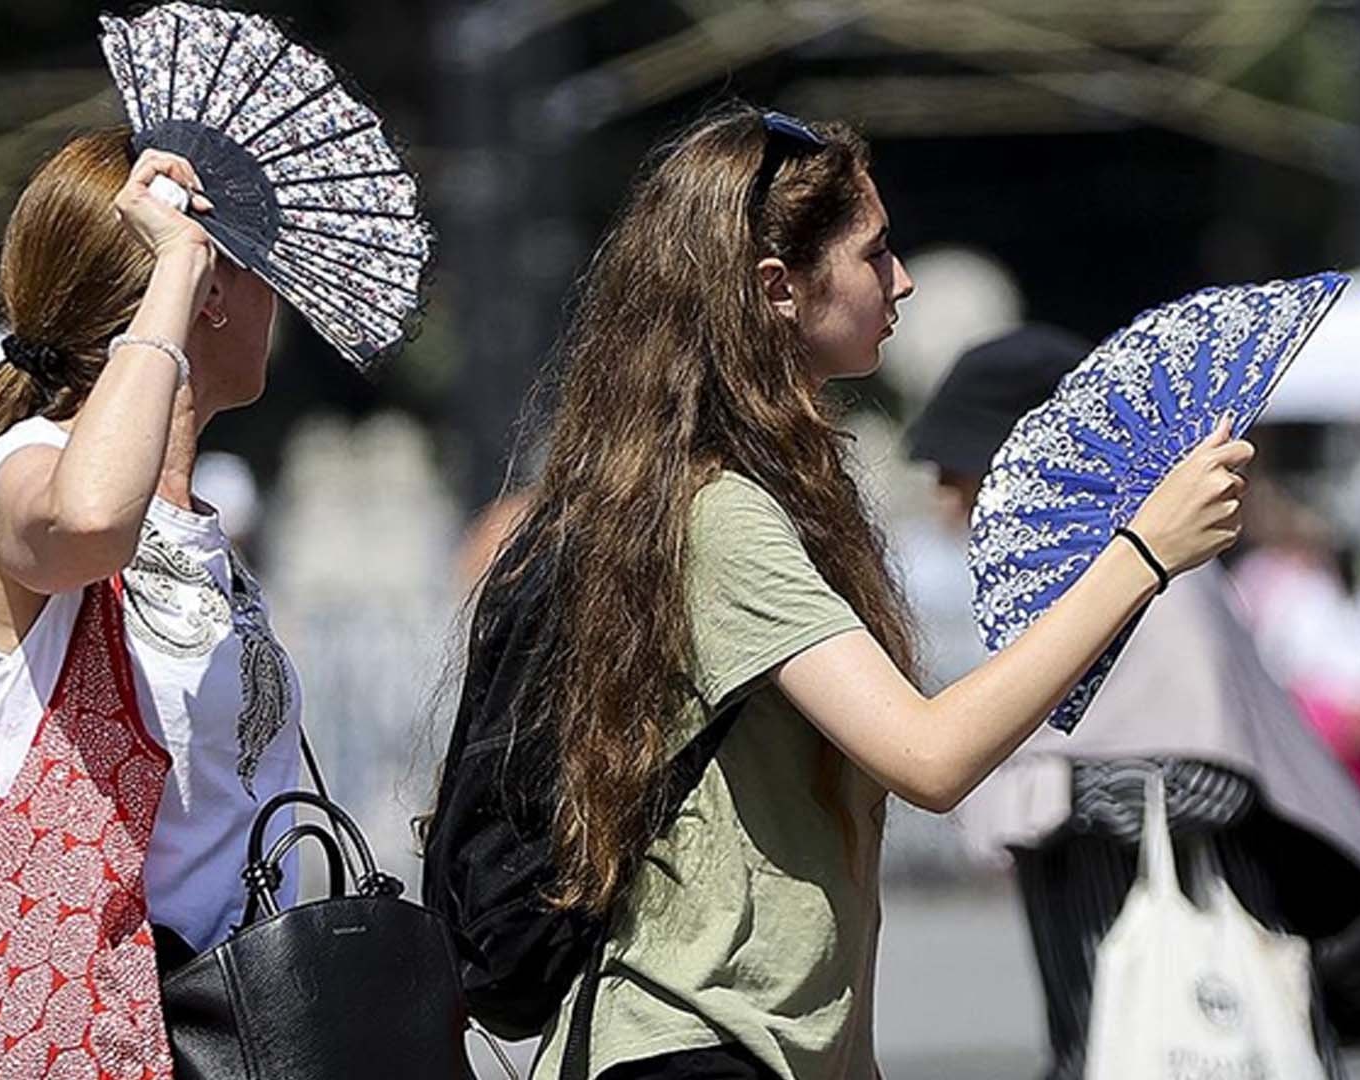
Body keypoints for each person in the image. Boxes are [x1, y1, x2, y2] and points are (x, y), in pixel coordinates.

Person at [464, 105, 1255, 1080]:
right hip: (691, 1048)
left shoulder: (752, 498)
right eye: (875, 254)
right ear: (779, 290)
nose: (904, 278)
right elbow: (929, 756)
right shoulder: (720, 516)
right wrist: (1143, 553)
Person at [0, 130, 302, 1077]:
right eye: (258, 267)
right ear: (204, 288)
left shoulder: (203, 536)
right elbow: (92, 518)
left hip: (194, 1033)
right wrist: (174, 271)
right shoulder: (21, 474)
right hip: (49, 1038)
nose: (277, 297)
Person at [910, 327, 1360, 1080]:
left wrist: (1028, 782)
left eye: (958, 473)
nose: (945, 502)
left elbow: (1211, 784)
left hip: (1202, 1011)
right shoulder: (1069, 587)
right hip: (1105, 1013)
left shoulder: (1156, 577)